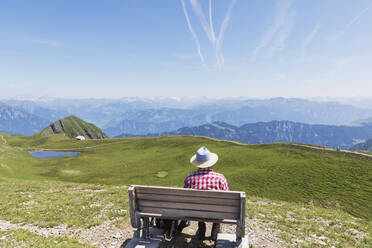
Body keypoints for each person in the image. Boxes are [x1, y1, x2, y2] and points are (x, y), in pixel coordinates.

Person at [178, 146, 229, 241]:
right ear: (210, 162)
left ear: (197, 163)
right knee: (219, 206)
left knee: (198, 206)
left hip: (195, 212)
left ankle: (201, 226)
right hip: (217, 213)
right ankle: (216, 228)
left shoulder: (189, 178)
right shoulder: (220, 178)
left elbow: (184, 197)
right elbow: (227, 198)